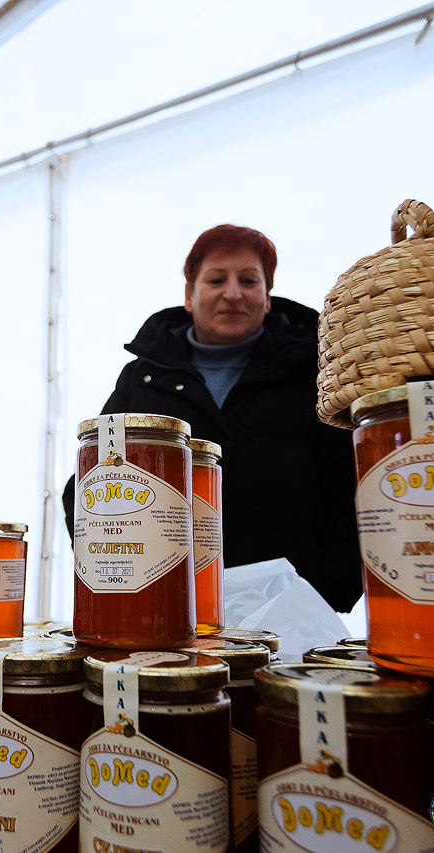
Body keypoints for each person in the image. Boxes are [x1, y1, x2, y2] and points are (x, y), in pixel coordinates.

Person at [62, 224, 362, 612]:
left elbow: (351, 488)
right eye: (216, 279)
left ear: (268, 296)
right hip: (167, 611)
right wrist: (121, 578)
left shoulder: (315, 375)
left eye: (249, 281)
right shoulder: (142, 379)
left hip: (288, 614)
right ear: (189, 295)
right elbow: (88, 485)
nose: (233, 293)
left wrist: (329, 591)